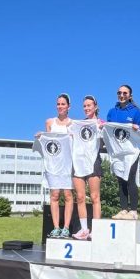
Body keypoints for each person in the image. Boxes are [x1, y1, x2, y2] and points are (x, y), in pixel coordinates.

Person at [106, 84, 140, 219]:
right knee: (120, 179)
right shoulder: (112, 112)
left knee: (130, 179)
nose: (122, 95)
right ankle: (123, 210)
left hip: (131, 151)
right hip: (118, 152)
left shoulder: (136, 112)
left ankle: (133, 211)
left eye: (125, 93)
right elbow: (108, 131)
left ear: (130, 96)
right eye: (119, 93)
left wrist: (137, 128)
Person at [39, 93, 74, 238]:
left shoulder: (73, 124)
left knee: (68, 195)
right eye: (58, 104)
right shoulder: (49, 122)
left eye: (63, 104)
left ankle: (66, 227)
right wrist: (41, 136)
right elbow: (48, 142)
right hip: (53, 165)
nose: (60, 106)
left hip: (67, 164)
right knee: (54, 195)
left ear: (68, 106)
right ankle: (56, 227)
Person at [71, 95, 104, 240]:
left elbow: (105, 144)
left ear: (95, 107)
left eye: (89, 105)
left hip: (93, 161)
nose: (86, 108)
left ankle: (96, 230)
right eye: (84, 106)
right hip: (78, 162)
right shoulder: (78, 124)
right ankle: (84, 230)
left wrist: (102, 129)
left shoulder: (100, 123)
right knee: (80, 197)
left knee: (95, 197)